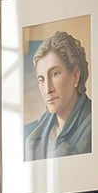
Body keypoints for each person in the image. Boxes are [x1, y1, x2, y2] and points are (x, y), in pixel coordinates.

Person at [24, 31, 92, 160]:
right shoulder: (30, 134)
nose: (47, 89)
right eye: (41, 79)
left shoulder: (95, 124)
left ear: (75, 75)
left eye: (54, 74)